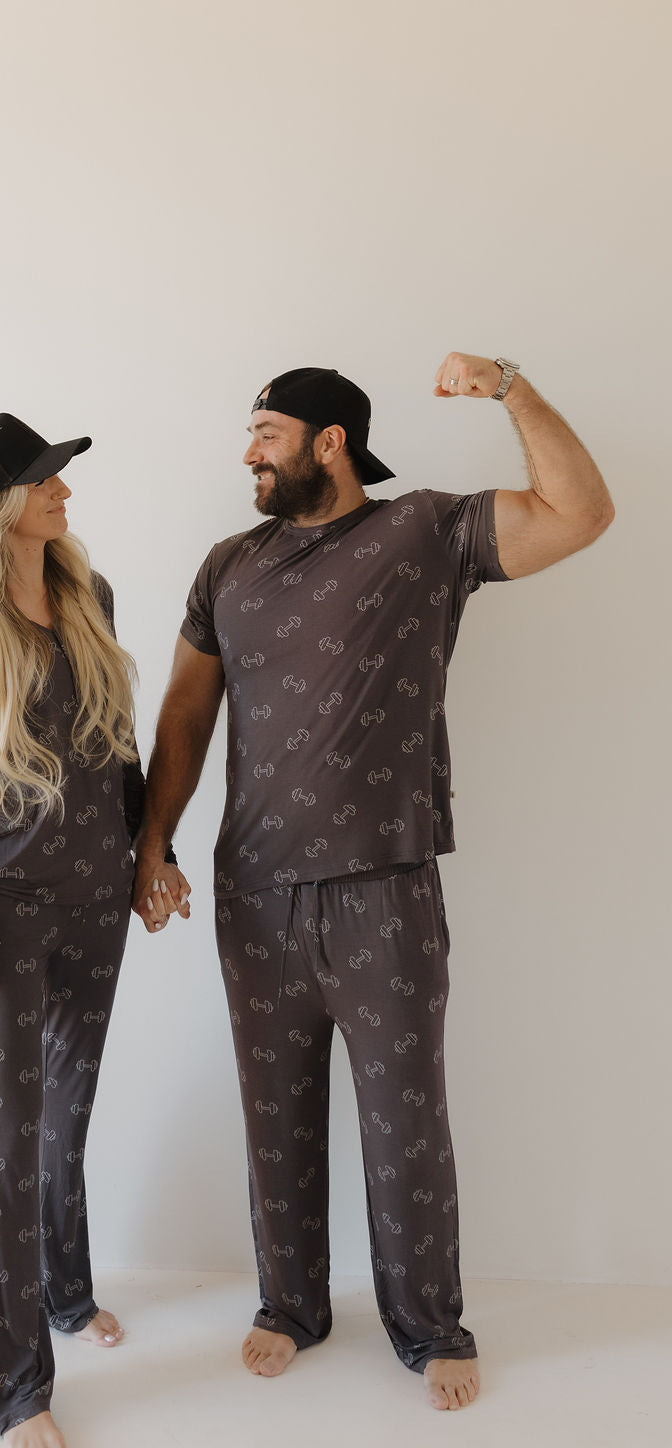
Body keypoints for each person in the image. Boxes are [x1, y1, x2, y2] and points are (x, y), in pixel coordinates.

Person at [132, 353, 614, 1412]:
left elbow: (579, 513)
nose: (247, 452)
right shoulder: (227, 566)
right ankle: (290, 1306)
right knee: (275, 1115)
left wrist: (511, 391)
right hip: (253, 893)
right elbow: (182, 713)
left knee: (405, 1120)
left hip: (384, 888)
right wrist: (150, 843)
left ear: (327, 442)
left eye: (264, 432)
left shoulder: (423, 534)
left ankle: (429, 1322)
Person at [0, 412, 155, 1447]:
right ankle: (14, 1387)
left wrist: (152, 855)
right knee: (4, 1146)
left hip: (97, 899)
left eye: (60, 475)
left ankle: (66, 1293)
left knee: (66, 1118)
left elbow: (116, 743)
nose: (65, 491)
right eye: (47, 480)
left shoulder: (88, 596)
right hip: (2, 915)